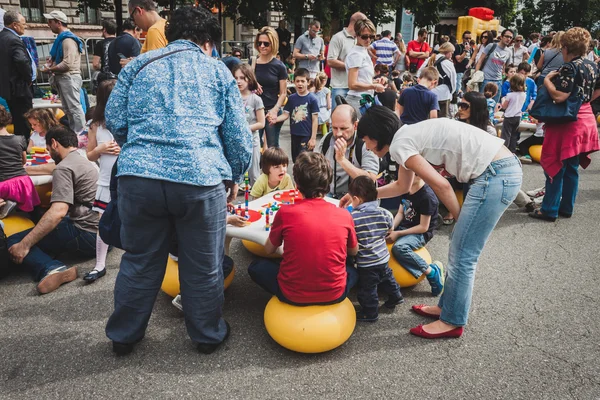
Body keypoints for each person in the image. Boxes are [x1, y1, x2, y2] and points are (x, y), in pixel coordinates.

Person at [104, 6, 252, 355]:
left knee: (140, 260)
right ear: (208, 42)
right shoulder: (217, 71)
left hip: (139, 176)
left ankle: (124, 336)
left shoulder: (139, 65)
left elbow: (114, 118)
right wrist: (233, 173)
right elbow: (238, 138)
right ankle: (207, 335)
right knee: (202, 264)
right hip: (200, 178)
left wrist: (140, 149)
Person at [345, 106, 521, 339]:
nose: (366, 146)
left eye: (366, 140)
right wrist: (364, 196)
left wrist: (461, 221)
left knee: (463, 253)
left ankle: (452, 321)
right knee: (459, 251)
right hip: (500, 168)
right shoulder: (405, 137)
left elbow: (442, 185)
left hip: (495, 174)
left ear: (378, 136)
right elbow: (402, 187)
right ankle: (447, 309)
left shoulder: (399, 144)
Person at [247, 151, 359, 305]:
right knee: (353, 269)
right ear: (328, 183)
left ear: (297, 184)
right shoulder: (344, 215)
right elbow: (353, 251)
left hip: (291, 294)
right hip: (335, 293)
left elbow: (269, 250)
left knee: (256, 266)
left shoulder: (285, 212)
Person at [7, 125, 99, 294]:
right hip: (105, 235)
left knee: (15, 241)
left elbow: (58, 212)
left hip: (88, 236)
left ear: (54, 144)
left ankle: (52, 268)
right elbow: (50, 168)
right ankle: (46, 254)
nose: (49, 153)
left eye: (48, 149)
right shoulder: (82, 159)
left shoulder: (63, 169)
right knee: (41, 223)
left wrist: (25, 244)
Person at [529, 27, 600, 222]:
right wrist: (583, 100)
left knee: (555, 164)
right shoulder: (593, 65)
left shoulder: (570, 67)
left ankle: (549, 209)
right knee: (571, 167)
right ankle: (566, 207)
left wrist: (548, 82)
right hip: (586, 119)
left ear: (566, 48)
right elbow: (597, 90)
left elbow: (560, 97)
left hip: (567, 123)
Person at [348, 176, 403, 322]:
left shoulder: (353, 218)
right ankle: (396, 296)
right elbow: (389, 230)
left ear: (356, 199)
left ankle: (370, 312)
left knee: (368, 289)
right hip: (383, 256)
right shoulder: (385, 213)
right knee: (387, 278)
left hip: (366, 262)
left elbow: (351, 238)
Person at [83, 79, 119, 283]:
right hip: (105, 181)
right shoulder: (95, 125)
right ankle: (100, 264)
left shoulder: (130, 118)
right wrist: (100, 149)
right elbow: (89, 155)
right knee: (103, 223)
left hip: (127, 179)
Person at [386, 173, 444, 296]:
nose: (402, 179)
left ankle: (431, 272)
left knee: (399, 248)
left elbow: (423, 227)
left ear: (419, 176)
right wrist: (391, 228)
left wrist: (398, 233)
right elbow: (401, 213)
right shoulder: (406, 189)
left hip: (420, 234)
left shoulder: (427, 197)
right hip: (404, 227)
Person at [318, 104, 379, 199]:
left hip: (358, 198)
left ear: (355, 125)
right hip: (329, 195)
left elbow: (370, 179)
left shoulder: (365, 142)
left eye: (343, 128)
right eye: (334, 128)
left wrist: (342, 160)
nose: (338, 133)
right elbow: (314, 166)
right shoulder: (327, 139)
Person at [42, 10, 86, 133]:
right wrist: (53, 63)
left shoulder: (67, 40)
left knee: (74, 108)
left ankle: (81, 134)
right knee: (69, 109)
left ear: (59, 23)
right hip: (65, 78)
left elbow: (67, 64)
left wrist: (49, 69)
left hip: (69, 77)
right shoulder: (62, 39)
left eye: (50, 22)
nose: (48, 24)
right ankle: (76, 133)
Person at [0, 106, 40, 218]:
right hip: (23, 182)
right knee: (35, 212)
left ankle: (5, 206)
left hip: (3, 184)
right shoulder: (20, 139)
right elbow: (24, 161)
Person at [271, 68, 318, 162]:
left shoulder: (312, 99)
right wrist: (275, 119)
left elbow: (315, 119)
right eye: (297, 81)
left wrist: (313, 138)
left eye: (302, 81)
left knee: (305, 161)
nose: (300, 84)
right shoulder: (292, 98)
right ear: (294, 82)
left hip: (306, 135)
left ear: (308, 82)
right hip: (294, 135)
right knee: (295, 160)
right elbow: (285, 114)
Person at [0, 11, 33, 140]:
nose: (25, 26)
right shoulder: (13, 40)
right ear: (15, 25)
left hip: (9, 87)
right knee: (24, 121)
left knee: (18, 119)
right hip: (19, 87)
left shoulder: (2, 37)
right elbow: (20, 61)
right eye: (23, 24)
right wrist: (28, 78)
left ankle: (20, 148)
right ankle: (23, 149)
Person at [253, 26, 287, 148]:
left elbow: (283, 93)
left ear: (273, 44)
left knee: (273, 147)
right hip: (255, 111)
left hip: (271, 111)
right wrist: (253, 83)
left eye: (266, 43)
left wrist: (275, 110)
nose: (262, 46)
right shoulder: (253, 63)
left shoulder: (279, 66)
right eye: (259, 43)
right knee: (255, 146)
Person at [233, 63, 265, 186]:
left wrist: (244, 128)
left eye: (242, 78)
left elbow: (261, 123)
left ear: (249, 78)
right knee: (235, 179)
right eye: (236, 78)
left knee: (254, 177)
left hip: (253, 142)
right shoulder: (232, 97)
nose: (238, 81)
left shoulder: (256, 99)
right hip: (236, 143)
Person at [345, 18, 384, 117]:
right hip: (357, 100)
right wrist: (374, 86)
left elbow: (362, 80)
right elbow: (352, 84)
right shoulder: (356, 54)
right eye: (364, 36)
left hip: (364, 99)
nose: (368, 40)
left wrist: (376, 82)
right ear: (356, 35)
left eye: (371, 36)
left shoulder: (363, 51)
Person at [327, 12, 367, 110]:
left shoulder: (360, 39)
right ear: (358, 23)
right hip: (341, 86)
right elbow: (331, 61)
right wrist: (351, 66)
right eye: (364, 23)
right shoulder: (338, 37)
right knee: (338, 119)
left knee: (355, 121)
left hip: (357, 87)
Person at [418, 42, 456, 118]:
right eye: (452, 53)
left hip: (429, 93)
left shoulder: (429, 59)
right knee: (443, 120)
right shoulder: (448, 63)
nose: (452, 55)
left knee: (429, 120)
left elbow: (419, 73)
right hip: (443, 95)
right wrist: (451, 92)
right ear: (448, 52)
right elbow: (453, 81)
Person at [475, 28, 513, 104]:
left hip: (498, 81)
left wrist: (504, 75)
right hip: (486, 79)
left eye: (510, 37)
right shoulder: (491, 46)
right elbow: (480, 60)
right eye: (506, 36)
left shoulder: (509, 52)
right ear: (501, 37)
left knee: (494, 104)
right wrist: (476, 75)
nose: (508, 39)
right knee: (482, 103)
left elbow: (506, 66)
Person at [501, 74, 527, 153]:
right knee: (514, 135)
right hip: (518, 116)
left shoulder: (509, 95)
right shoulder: (524, 94)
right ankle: (512, 150)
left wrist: (503, 99)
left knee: (506, 135)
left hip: (509, 116)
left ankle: (504, 151)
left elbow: (504, 106)